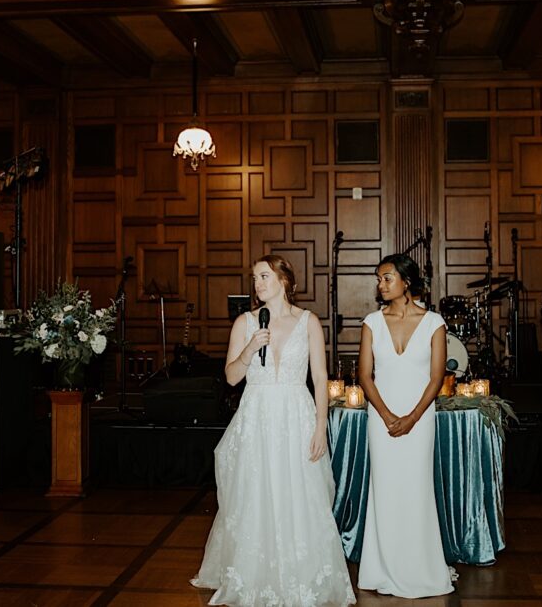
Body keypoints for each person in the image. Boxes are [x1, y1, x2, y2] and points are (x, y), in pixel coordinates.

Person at [191, 255, 355, 607]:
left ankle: (302, 573)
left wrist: (320, 427)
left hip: (297, 415)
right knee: (256, 493)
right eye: (254, 278)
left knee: (299, 492)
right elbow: (232, 377)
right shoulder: (245, 323)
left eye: (264, 276)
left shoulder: (308, 321)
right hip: (258, 417)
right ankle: (255, 573)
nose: (257, 284)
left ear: (284, 280)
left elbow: (321, 378)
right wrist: (250, 348)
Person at [356, 254, 455, 599]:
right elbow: (364, 376)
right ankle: (381, 568)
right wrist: (385, 416)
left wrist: (411, 418)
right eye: (379, 279)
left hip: (420, 418)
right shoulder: (371, 322)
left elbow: (436, 377)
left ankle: (419, 568)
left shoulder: (434, 323)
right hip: (380, 419)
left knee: (415, 490)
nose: (380, 285)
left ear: (406, 282)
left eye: (386, 278)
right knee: (384, 490)